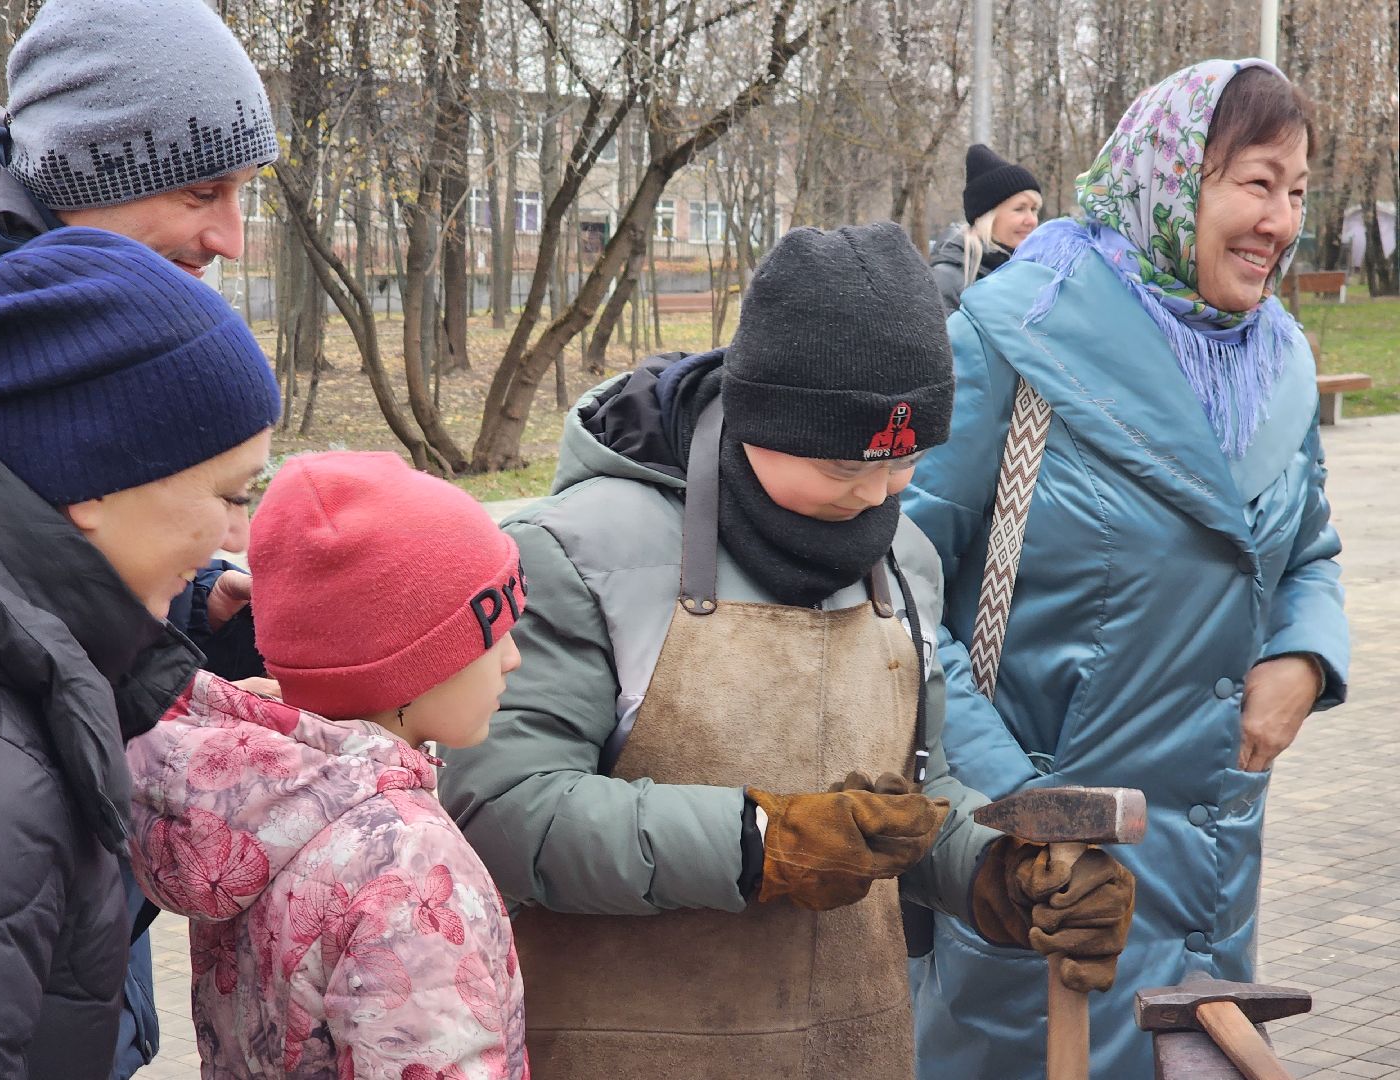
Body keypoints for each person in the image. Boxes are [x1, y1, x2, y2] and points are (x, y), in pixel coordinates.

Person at [436, 221, 1135, 1077]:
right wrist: (759, 841)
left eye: (905, 460)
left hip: (857, 1046)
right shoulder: (581, 553)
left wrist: (996, 872)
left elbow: (917, 791)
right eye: (846, 466)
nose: (876, 494)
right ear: (762, 417)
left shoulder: (904, 561)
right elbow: (506, 810)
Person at [904, 59, 1348, 1079]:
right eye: (1254, 183)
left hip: (1210, 871)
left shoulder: (1278, 360)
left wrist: (1305, 659)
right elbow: (899, 598)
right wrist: (1025, 809)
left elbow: (1308, 550)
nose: (1280, 220)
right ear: (1170, 177)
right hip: (1040, 880)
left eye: (1297, 192)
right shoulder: (1013, 340)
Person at [0, 5, 279, 1071]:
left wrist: (190, 614)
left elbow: (33, 566)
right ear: (80, 170)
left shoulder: (94, 302)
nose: (230, 237)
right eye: (203, 191)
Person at [126, 451, 530, 1079]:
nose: (513, 659)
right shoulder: (407, 866)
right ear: (405, 667)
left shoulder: (253, 809)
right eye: (489, 634)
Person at [930, 144, 1043, 314]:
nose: (1031, 221)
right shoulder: (948, 280)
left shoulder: (1038, 272)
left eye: (1034, 210)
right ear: (986, 216)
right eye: (1020, 209)